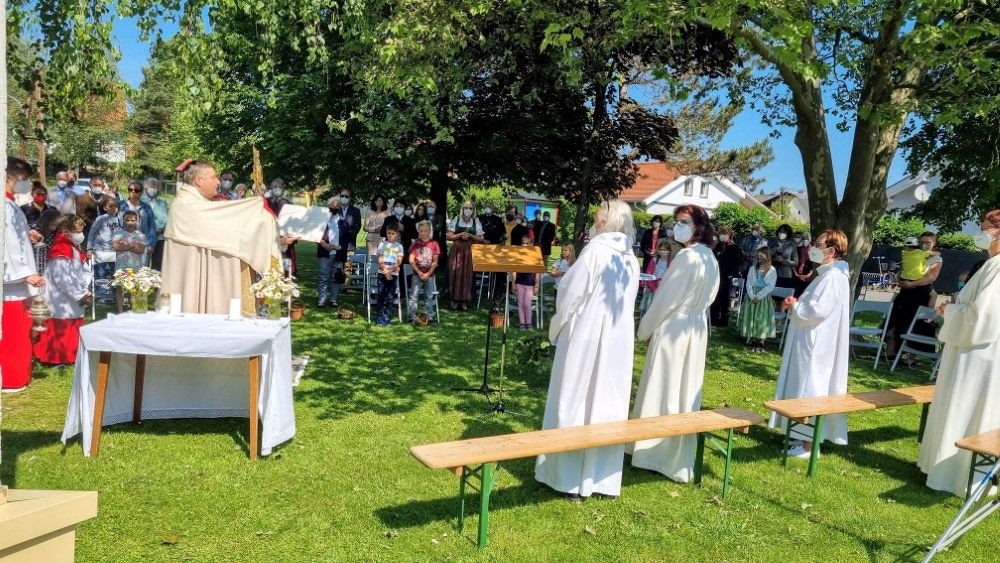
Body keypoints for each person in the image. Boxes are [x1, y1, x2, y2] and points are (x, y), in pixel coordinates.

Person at [535, 199, 640, 500]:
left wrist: (558, 324)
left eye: (597, 217)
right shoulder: (630, 258)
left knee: (576, 395)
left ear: (606, 222)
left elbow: (570, 292)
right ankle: (599, 478)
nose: (594, 223)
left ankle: (567, 478)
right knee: (607, 401)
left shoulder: (596, 250)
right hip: (618, 339)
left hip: (587, 333)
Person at [629, 204, 720, 482]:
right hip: (696, 326)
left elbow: (665, 299)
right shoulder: (709, 257)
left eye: (683, 222)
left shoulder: (687, 257)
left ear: (698, 227)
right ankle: (671, 451)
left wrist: (645, 330)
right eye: (676, 221)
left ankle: (654, 452)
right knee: (684, 386)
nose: (676, 227)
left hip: (675, 326)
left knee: (664, 385)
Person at [917, 211, 1000, 497]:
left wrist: (951, 310)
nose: (980, 232)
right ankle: (942, 468)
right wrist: (952, 309)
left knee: (966, 408)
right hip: (970, 349)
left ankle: (955, 474)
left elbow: (983, 317)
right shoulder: (991, 264)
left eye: (985, 227)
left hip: (977, 355)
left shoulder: (998, 267)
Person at [160, 160, 282, 316]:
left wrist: (257, 211)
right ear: (199, 180)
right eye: (213, 177)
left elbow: (222, 219)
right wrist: (256, 208)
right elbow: (224, 219)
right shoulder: (185, 205)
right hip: (190, 282)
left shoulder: (195, 202)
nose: (218, 182)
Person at [769, 229, 851, 458]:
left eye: (819, 244)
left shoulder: (833, 277)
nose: (813, 248)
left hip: (815, 343)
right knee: (802, 386)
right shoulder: (828, 275)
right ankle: (800, 436)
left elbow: (817, 310)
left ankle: (807, 445)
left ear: (831, 251)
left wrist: (796, 306)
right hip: (812, 339)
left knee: (810, 388)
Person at [2, 157, 45, 392]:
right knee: (13, 333)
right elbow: (6, 244)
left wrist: (28, 235)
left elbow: (15, 238)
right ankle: (10, 378)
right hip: (12, 283)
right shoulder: (4, 206)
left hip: (17, 283)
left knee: (20, 331)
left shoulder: (11, 204)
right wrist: (25, 273)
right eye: (25, 178)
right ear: (11, 176)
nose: (28, 184)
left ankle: (18, 375)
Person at [34, 215, 92, 366]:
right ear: (66, 231)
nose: (81, 235)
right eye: (77, 231)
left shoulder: (72, 248)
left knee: (71, 324)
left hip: (72, 296)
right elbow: (62, 279)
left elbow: (84, 271)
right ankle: (55, 358)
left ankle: (69, 355)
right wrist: (79, 295)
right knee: (60, 326)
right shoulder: (61, 251)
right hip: (61, 298)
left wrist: (84, 290)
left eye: (81, 231)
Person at [885, 232, 943, 361]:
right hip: (905, 292)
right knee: (894, 321)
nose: (925, 244)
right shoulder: (911, 254)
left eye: (928, 242)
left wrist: (912, 283)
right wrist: (901, 281)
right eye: (922, 242)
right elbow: (901, 271)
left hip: (921, 294)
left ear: (934, 243)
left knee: (916, 325)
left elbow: (931, 278)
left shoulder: (936, 260)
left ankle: (912, 357)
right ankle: (890, 353)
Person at [446, 201, 485, 310]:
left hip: (469, 250)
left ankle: (464, 301)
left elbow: (481, 238)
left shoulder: (476, 221)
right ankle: (454, 300)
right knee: (455, 273)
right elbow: (449, 236)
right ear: (463, 209)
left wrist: (470, 235)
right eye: (466, 207)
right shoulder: (456, 219)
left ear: (473, 210)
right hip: (457, 249)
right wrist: (460, 235)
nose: (468, 210)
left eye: (470, 208)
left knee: (467, 274)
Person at [739, 246, 778, 352]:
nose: (759, 258)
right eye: (758, 256)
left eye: (762, 256)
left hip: (763, 297)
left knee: (762, 318)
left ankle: (761, 341)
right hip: (752, 295)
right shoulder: (752, 269)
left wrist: (759, 296)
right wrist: (752, 295)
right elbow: (748, 283)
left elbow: (770, 286)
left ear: (767, 257)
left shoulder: (772, 270)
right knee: (752, 316)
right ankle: (752, 338)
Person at [87, 198, 122, 303]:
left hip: (114, 251)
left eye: (115, 206)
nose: (113, 208)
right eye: (110, 206)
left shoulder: (120, 219)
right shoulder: (101, 219)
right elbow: (91, 233)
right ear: (105, 208)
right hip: (100, 250)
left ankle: (112, 295)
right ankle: (101, 295)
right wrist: (89, 248)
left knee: (115, 274)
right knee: (100, 274)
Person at [112, 211, 148, 313]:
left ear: (137, 221)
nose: (130, 222)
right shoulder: (118, 233)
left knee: (133, 289)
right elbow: (116, 246)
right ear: (123, 220)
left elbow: (140, 250)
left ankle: (134, 311)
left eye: (133, 220)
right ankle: (120, 311)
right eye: (127, 220)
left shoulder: (141, 235)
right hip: (121, 265)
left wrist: (125, 245)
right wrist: (133, 245)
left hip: (135, 266)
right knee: (120, 288)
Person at [21, 184, 60, 274]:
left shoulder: (52, 210)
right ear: (32, 194)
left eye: (43, 194)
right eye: (38, 194)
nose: (40, 196)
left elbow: (57, 227)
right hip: (30, 244)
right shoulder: (24, 209)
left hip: (48, 245)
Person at [408, 220, 440, 323]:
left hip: (430, 275)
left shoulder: (434, 244)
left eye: (425, 231)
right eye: (421, 231)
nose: (423, 233)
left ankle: (429, 317)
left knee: (429, 296)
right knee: (414, 296)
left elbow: (435, 262)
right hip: (417, 274)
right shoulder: (415, 244)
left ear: (429, 231)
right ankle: (411, 317)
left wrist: (428, 273)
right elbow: (411, 260)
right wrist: (419, 272)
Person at [710, 225, 742, 327]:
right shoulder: (717, 246)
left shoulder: (734, 247)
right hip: (717, 274)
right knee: (715, 297)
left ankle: (723, 321)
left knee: (725, 298)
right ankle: (713, 319)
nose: (722, 235)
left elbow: (736, 262)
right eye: (720, 233)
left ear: (729, 234)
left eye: (724, 233)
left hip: (727, 275)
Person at [119, 181, 157, 265]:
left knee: (142, 270)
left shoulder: (146, 207)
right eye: (130, 189)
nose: (133, 192)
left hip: (142, 244)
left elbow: (152, 226)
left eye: (136, 190)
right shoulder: (120, 205)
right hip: (124, 243)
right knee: (125, 270)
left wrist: (151, 244)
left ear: (141, 193)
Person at [316, 197, 344, 308]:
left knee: (336, 277)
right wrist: (323, 243)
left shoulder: (343, 220)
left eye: (337, 205)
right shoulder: (322, 219)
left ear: (340, 207)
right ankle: (321, 300)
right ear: (328, 206)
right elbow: (315, 233)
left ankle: (333, 299)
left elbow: (347, 236)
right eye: (332, 205)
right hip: (324, 251)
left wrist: (340, 247)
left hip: (338, 253)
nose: (334, 207)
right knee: (323, 276)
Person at [375, 223, 405, 326]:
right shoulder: (382, 245)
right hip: (382, 273)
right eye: (389, 233)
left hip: (394, 274)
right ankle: (379, 317)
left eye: (393, 233)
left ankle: (387, 317)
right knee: (381, 295)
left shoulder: (399, 246)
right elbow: (380, 258)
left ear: (397, 234)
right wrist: (385, 269)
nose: (390, 235)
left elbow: (399, 261)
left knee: (390, 296)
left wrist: (390, 270)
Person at [141, 178, 170, 271]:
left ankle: (155, 280)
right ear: (146, 188)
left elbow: (166, 218)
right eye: (151, 187)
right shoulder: (141, 201)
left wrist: (161, 228)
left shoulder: (162, 203)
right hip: (144, 237)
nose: (153, 189)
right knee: (143, 264)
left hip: (159, 237)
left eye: (155, 187)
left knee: (157, 266)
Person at [515, 234, 540, 330]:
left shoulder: (534, 256)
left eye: (527, 243)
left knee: (527, 303)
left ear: (531, 244)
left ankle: (528, 323)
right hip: (519, 282)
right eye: (523, 243)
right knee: (520, 303)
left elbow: (538, 272)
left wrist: (537, 285)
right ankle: (522, 323)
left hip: (530, 283)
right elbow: (514, 270)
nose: (525, 245)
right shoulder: (519, 255)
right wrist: (513, 283)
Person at [770, 223, 799, 289]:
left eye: (784, 232)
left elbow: (796, 263)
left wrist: (783, 261)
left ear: (788, 234)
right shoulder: (773, 244)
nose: (781, 233)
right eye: (780, 231)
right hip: (772, 274)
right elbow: (767, 259)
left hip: (786, 275)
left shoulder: (792, 245)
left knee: (783, 294)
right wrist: (774, 259)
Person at [791, 231, 813, 297]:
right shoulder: (798, 249)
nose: (805, 240)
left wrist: (809, 274)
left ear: (810, 239)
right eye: (803, 239)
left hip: (808, 276)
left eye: (807, 239)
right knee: (795, 294)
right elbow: (793, 261)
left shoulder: (813, 250)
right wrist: (796, 274)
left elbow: (815, 265)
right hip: (796, 275)